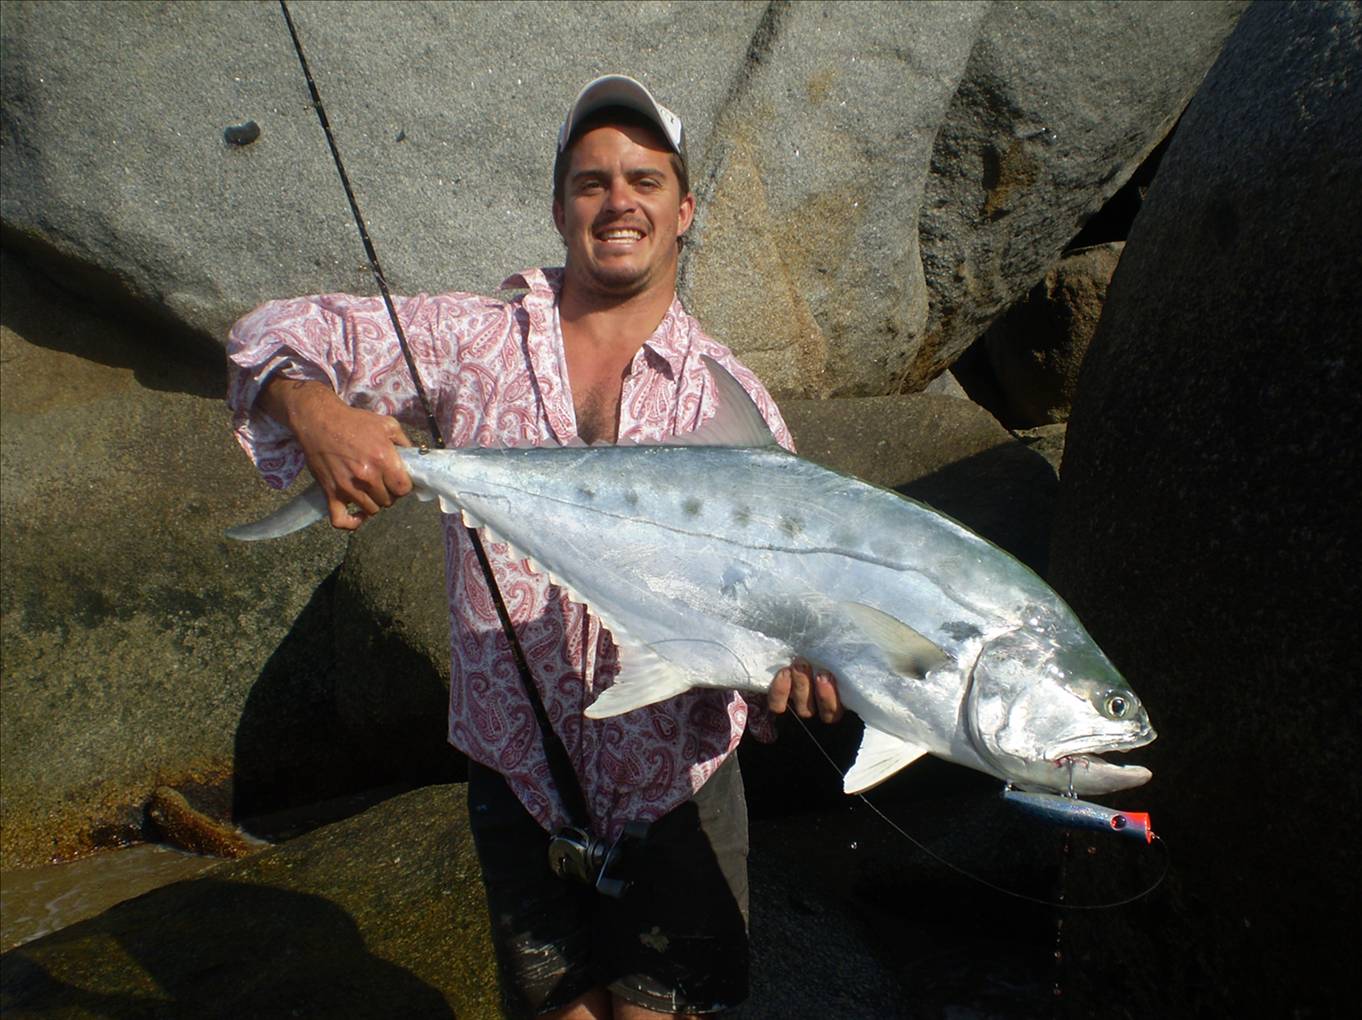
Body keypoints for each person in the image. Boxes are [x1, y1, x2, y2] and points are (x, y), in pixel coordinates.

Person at [226, 75, 842, 1019]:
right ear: (559, 210)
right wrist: (316, 413)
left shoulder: (732, 405)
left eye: (645, 180)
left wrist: (798, 667)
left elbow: (779, 609)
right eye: (592, 182)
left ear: (684, 211)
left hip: (675, 782)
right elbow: (267, 335)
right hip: (518, 771)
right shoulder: (473, 341)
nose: (619, 201)